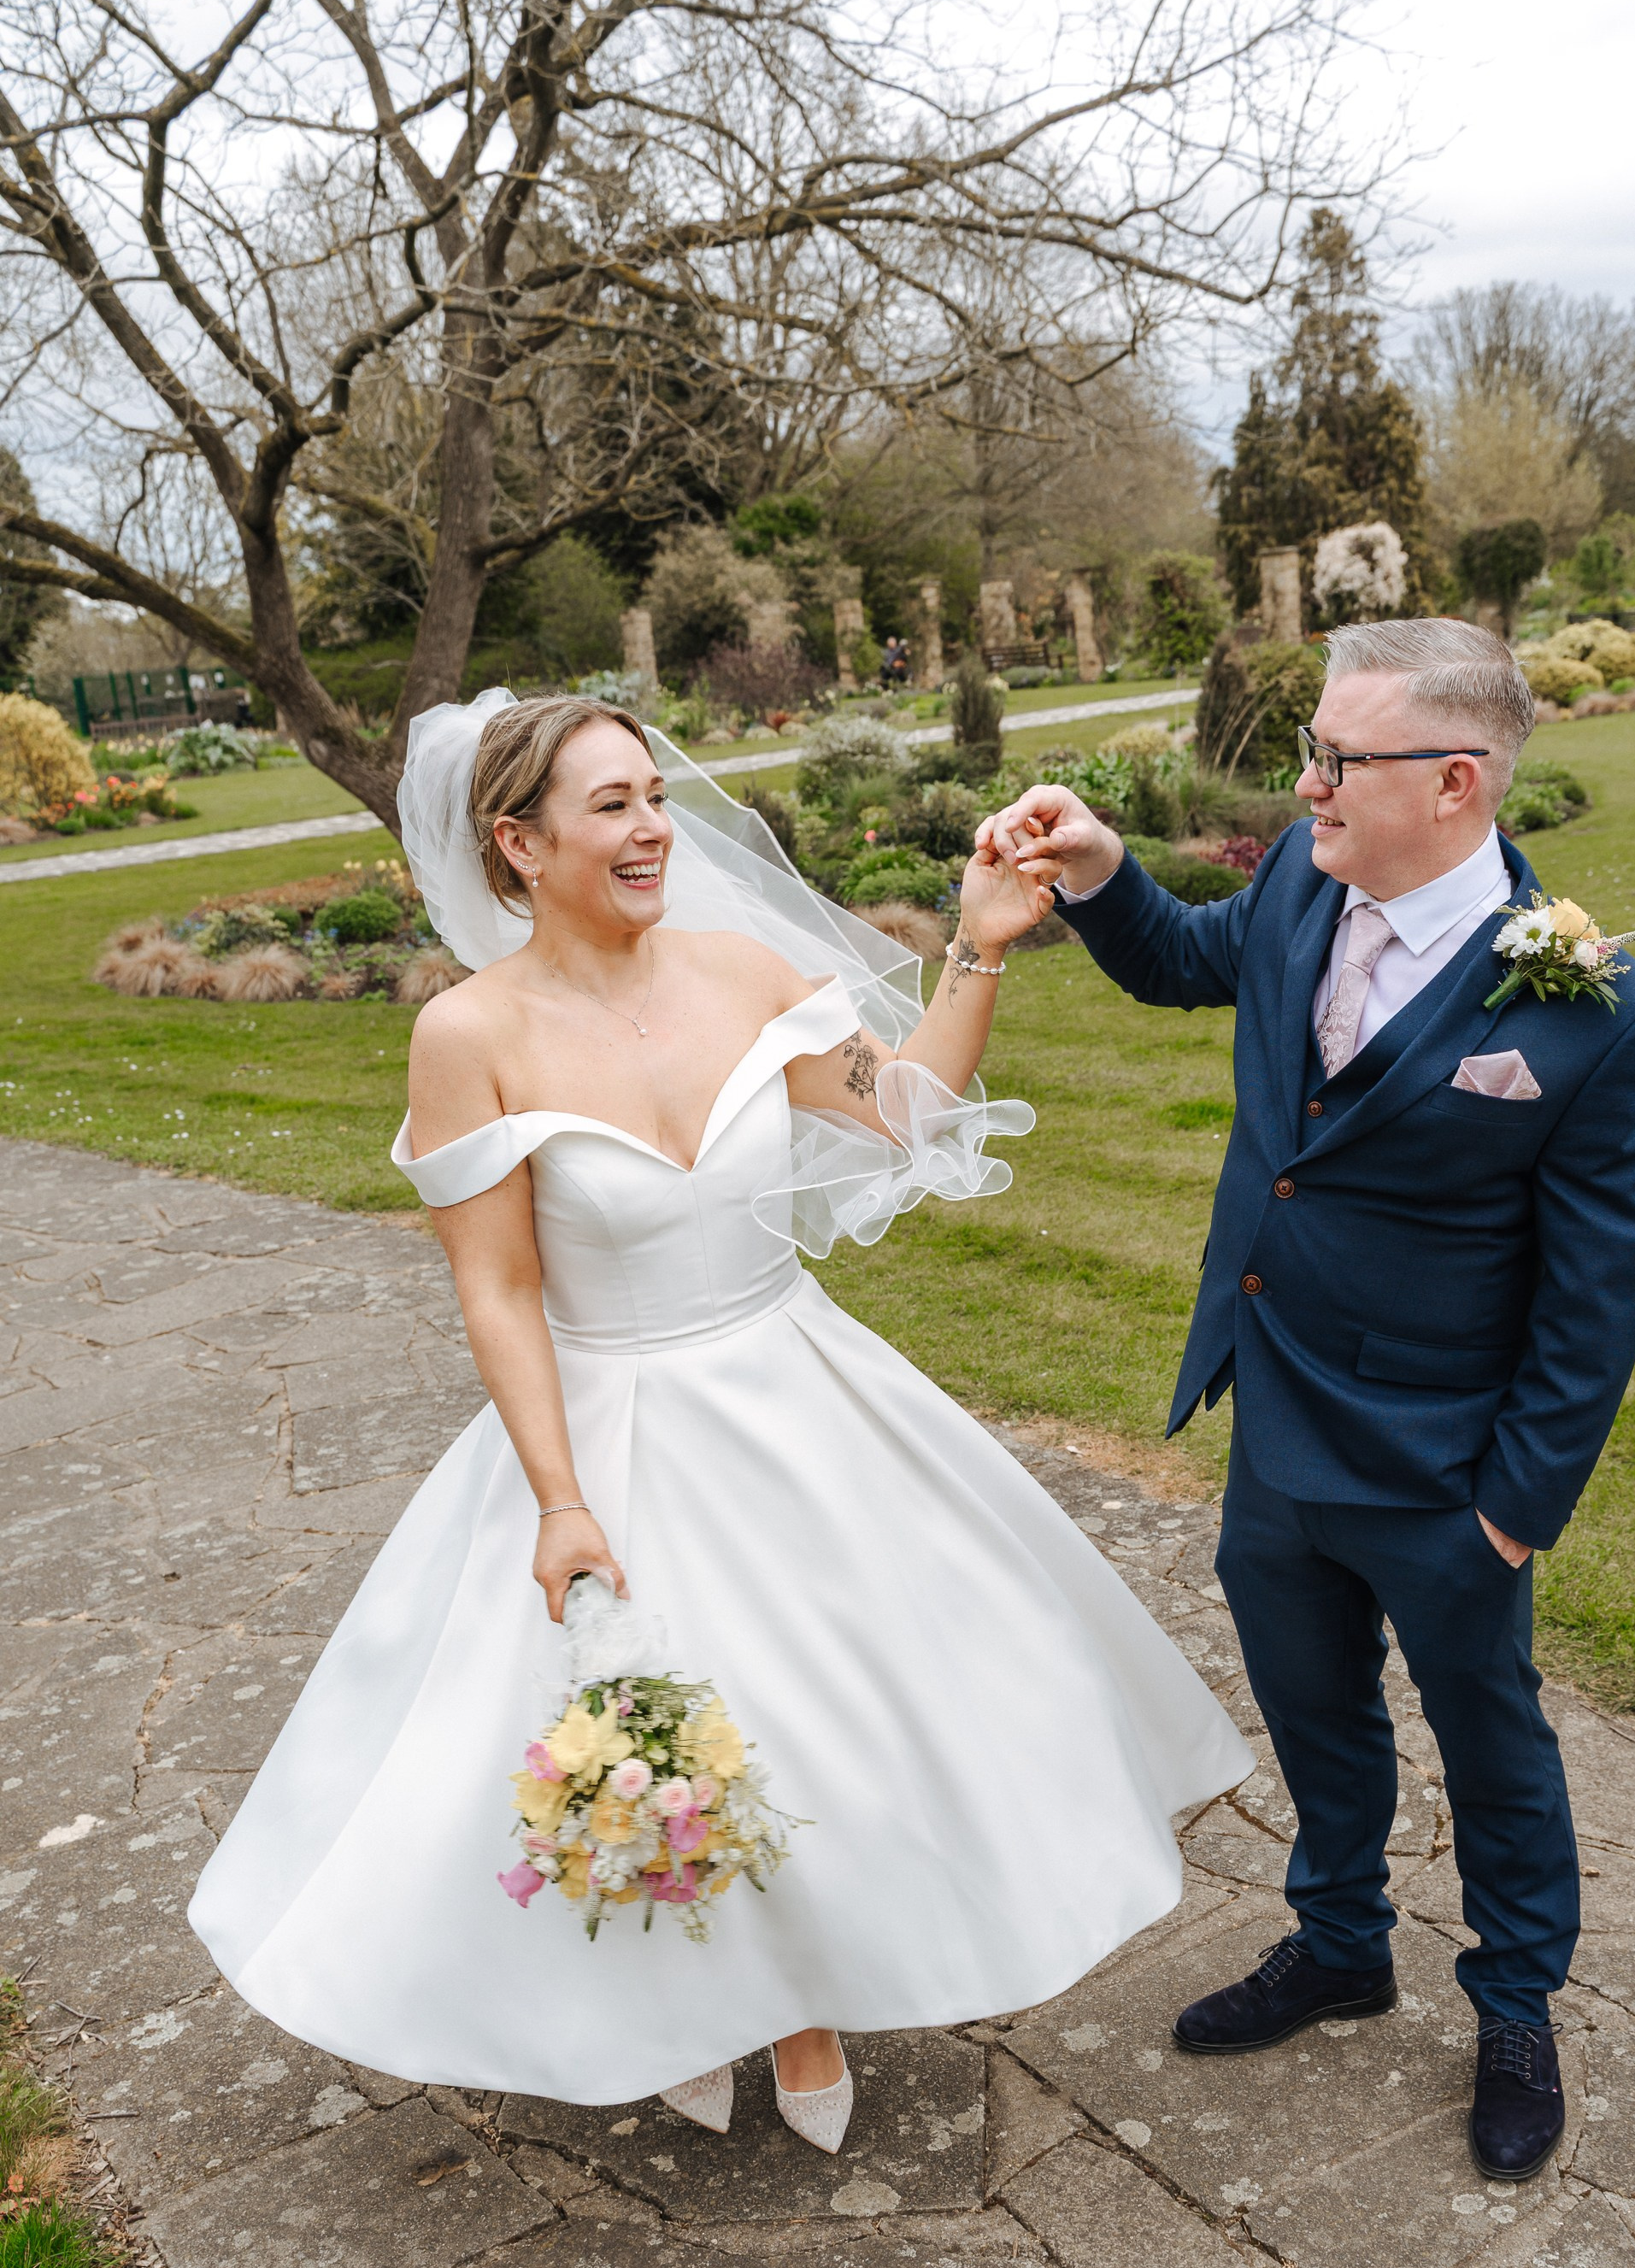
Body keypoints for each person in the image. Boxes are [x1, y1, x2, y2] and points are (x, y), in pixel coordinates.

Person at [189, 692, 1247, 2154]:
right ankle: (694, 2003)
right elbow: (498, 1291)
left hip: (795, 1391)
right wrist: (560, 1500)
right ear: (520, 841)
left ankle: (804, 1996)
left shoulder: (748, 969)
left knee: (837, 1710)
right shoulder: (468, 1034)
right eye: (610, 805)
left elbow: (907, 1107)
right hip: (605, 1421)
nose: (650, 828)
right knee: (657, 1730)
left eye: (652, 795)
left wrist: (978, 944)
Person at [987, 619, 1635, 2183]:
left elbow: (1597, 1296)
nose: (1301, 781)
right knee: (1312, 1705)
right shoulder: (1309, 882)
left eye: (1332, 758)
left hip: (1448, 1469)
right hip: (1276, 1412)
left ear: (1454, 782)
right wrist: (1101, 874)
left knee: (1487, 1735)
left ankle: (1514, 2001)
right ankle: (1340, 1939)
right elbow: (1187, 965)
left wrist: (1516, 1509)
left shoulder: (1598, 1012)